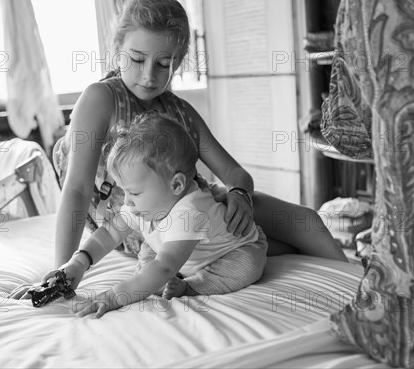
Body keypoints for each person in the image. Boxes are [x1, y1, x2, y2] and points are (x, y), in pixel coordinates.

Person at [10, 0, 345, 300]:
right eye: (137, 59)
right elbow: (79, 188)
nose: (149, 75)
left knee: (307, 223)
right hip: (143, 223)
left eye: (164, 63)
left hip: (196, 209)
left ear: (179, 60)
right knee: (264, 245)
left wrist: (240, 195)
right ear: (117, 50)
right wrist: (61, 274)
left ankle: (364, 293)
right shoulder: (102, 98)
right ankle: (246, 251)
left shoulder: (179, 110)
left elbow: (234, 172)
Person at [66, 112, 268, 317]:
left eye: (134, 192)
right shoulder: (144, 204)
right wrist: (79, 262)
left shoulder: (189, 213)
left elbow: (164, 266)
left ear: (177, 185)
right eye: (124, 191)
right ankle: (152, 280)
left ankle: (191, 286)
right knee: (149, 253)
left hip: (233, 252)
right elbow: (109, 234)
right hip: (181, 252)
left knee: (248, 265)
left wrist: (114, 297)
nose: (126, 201)